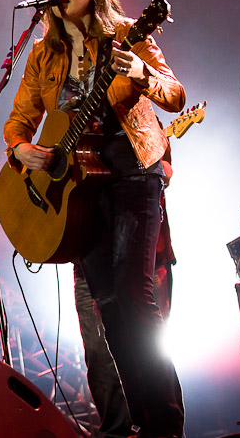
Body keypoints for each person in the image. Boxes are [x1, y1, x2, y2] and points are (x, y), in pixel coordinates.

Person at [3, 0, 185, 437]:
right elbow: (18, 121)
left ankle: (167, 421)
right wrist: (22, 150)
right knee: (107, 305)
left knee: (133, 293)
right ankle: (144, 425)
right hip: (81, 195)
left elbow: (176, 94)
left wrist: (142, 74)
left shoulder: (128, 32)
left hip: (131, 173)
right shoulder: (43, 55)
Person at [74, 148, 178, 438]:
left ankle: (163, 428)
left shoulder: (135, 115)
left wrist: (161, 170)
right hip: (88, 251)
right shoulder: (70, 124)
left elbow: (164, 165)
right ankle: (117, 432)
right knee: (98, 351)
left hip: (144, 255)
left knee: (145, 339)